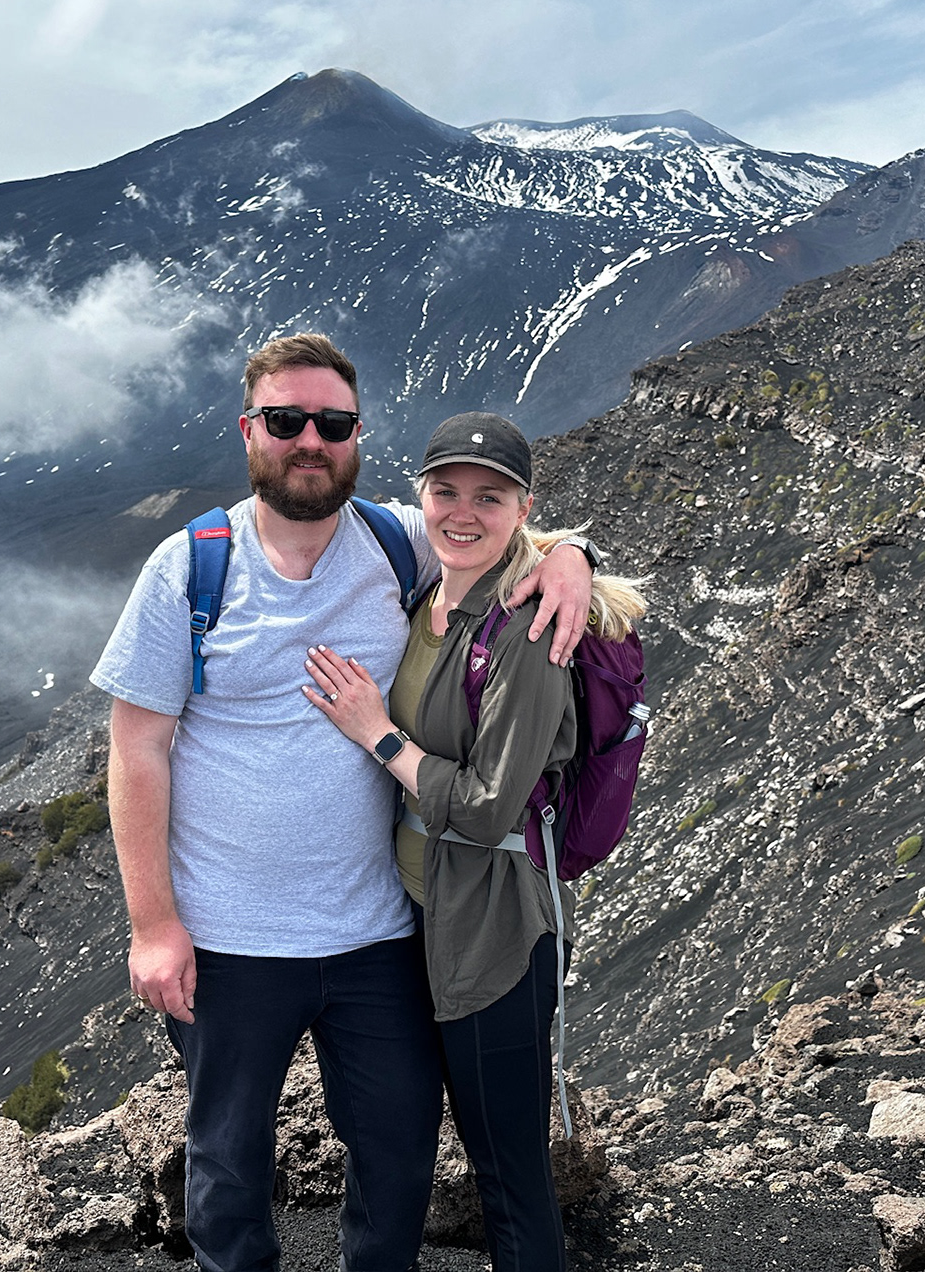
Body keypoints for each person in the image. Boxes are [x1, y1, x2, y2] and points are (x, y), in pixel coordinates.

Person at [89, 335, 598, 1272]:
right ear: (252, 432)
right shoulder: (187, 568)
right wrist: (153, 923)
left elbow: (488, 525)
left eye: (331, 423)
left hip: (377, 934)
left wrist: (572, 557)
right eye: (287, 421)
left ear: (358, 436)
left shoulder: (392, 539)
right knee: (229, 1166)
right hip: (232, 941)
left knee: (399, 1156)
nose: (309, 440)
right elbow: (137, 746)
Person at [302, 412, 645, 1272]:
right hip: (419, 911)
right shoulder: (429, 590)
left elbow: (492, 807)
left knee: (508, 1170)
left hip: (492, 928)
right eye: (445, 491)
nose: (464, 512)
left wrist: (377, 734)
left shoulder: (526, 631)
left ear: (524, 508)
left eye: (489, 497)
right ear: (419, 497)